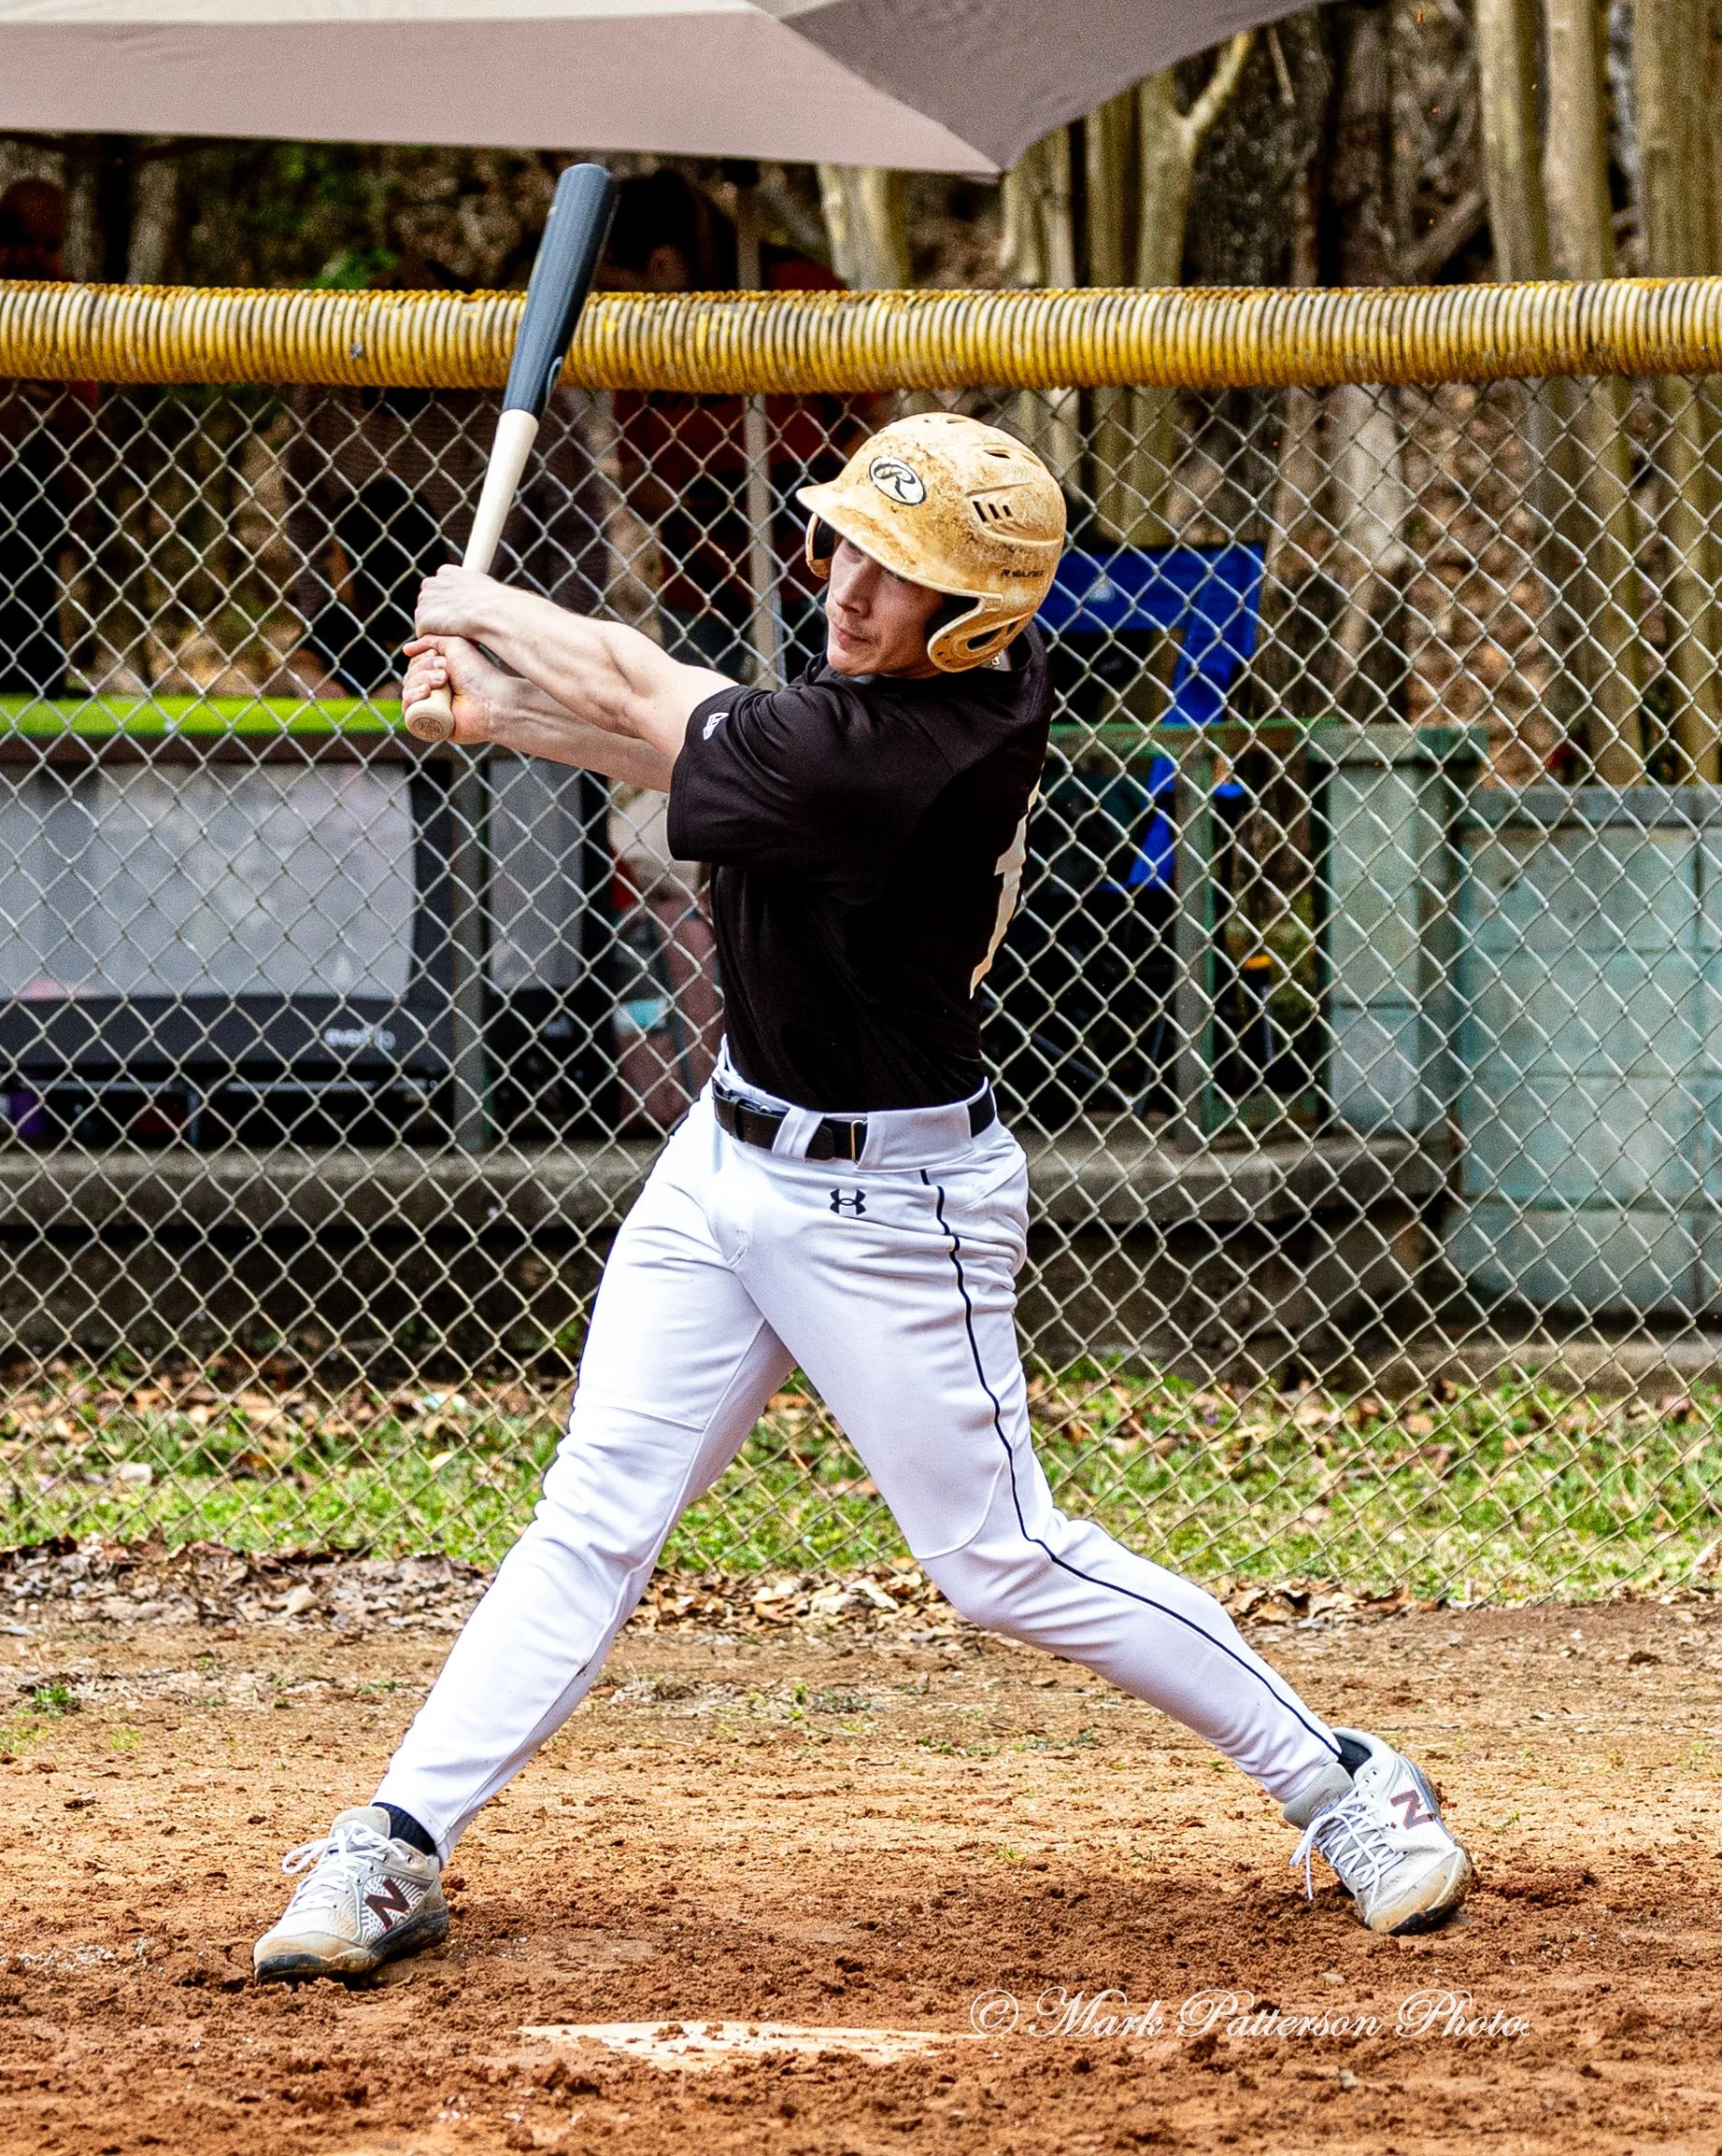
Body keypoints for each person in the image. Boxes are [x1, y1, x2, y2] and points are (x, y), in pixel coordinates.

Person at [251, 412, 1473, 1984]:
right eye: (845, 547)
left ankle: (1344, 1781)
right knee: (593, 1514)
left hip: (893, 1211)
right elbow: (675, 744)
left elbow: (643, 687)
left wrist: (477, 614)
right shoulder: (874, 709)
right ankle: (398, 1837)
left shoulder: (911, 752)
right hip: (722, 1158)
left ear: (972, 616)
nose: (847, 585)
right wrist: (500, 712)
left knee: (998, 1559)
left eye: (897, 573)